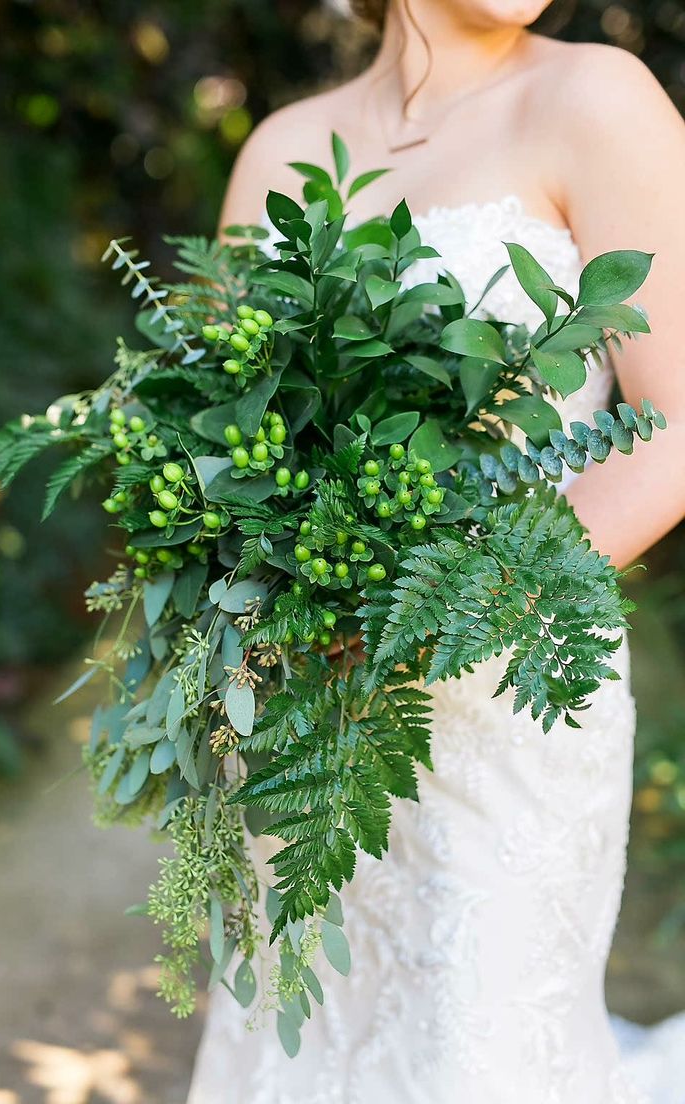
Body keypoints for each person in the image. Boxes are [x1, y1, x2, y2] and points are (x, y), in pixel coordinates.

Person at [187, 2, 685, 1100]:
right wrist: (267, 606)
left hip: (507, 697)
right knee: (300, 1033)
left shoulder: (597, 101)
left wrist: (440, 610)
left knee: (479, 1049)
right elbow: (212, 433)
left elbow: (677, 430)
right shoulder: (277, 148)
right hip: (300, 720)